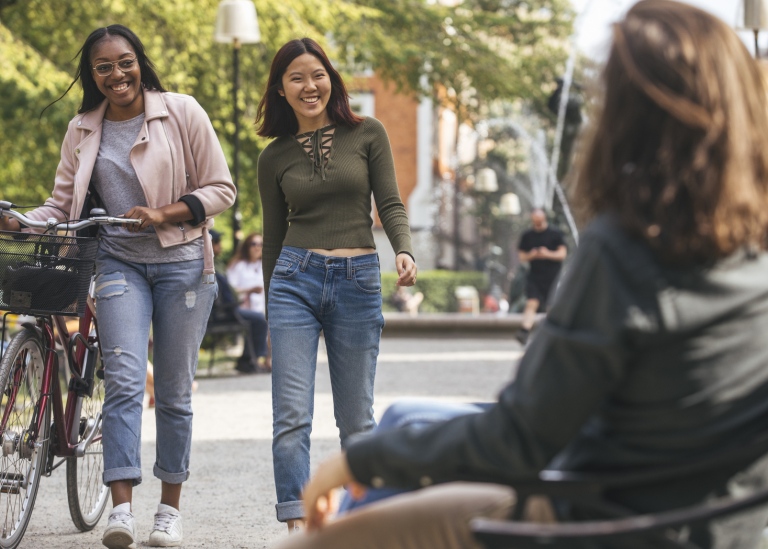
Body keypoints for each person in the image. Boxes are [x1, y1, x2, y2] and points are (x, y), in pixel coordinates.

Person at [274, 1, 768, 547]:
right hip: (697, 519)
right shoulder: (752, 247)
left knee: (313, 542)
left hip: (597, 518)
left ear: (634, 114)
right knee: (406, 414)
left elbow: (518, 440)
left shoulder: (629, 248)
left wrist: (358, 461)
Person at [0, 25, 235, 548]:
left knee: (173, 393)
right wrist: (21, 224)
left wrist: (163, 213)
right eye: (102, 67)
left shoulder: (181, 111)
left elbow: (221, 189)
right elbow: (61, 207)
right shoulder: (82, 128)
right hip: (116, 263)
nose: (116, 74)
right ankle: (122, 511)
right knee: (125, 383)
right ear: (91, 75)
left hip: (182, 264)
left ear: (139, 62)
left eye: (124, 62)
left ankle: (168, 512)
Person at [255, 37, 417, 531]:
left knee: (357, 422)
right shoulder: (273, 156)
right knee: (291, 418)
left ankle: (359, 525)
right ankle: (296, 528)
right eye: (297, 78)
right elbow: (272, 237)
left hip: (358, 279)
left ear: (331, 78)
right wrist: (269, 311)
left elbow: (388, 202)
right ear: (281, 90)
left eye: (317, 74)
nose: (310, 85)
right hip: (293, 281)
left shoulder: (367, 133)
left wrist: (404, 248)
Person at [515, 208, 567, 345]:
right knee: (531, 302)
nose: (537, 222)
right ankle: (524, 332)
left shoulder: (555, 233)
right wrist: (531, 255)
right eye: (535, 220)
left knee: (552, 305)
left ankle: (553, 334)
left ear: (544, 218)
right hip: (534, 275)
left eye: (539, 219)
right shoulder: (527, 235)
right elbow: (521, 257)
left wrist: (547, 253)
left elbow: (562, 254)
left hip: (553, 276)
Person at [225, 231, 271, 373]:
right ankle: (254, 359)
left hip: (262, 305)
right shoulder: (238, 265)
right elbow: (230, 290)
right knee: (260, 320)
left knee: (273, 319)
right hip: (241, 306)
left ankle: (268, 360)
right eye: (254, 244)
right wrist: (249, 290)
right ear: (247, 246)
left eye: (261, 244)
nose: (257, 248)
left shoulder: (265, 265)